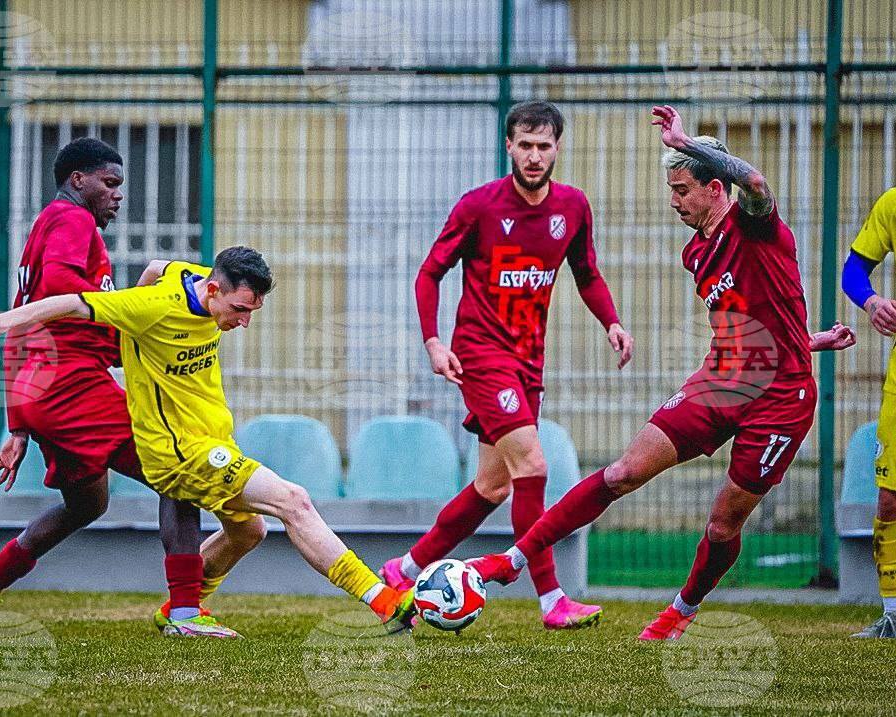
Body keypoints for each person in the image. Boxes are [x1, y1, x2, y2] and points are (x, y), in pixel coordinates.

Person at [466, 105, 856, 640]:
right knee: (623, 472)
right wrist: (808, 340)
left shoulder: (754, 225)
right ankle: (512, 562)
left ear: (715, 189)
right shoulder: (696, 252)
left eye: (682, 190)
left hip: (782, 401)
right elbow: (750, 326)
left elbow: (756, 183)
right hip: (721, 381)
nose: (673, 201)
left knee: (723, 522)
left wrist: (685, 142)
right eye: (671, 189)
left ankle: (682, 609)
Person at [0, 247, 418, 634]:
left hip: (212, 440)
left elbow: (157, 266)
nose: (243, 322)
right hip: (177, 452)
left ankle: (182, 610)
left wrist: (143, 320)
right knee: (293, 501)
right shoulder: (152, 307)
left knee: (249, 532)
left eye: (252, 312)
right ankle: (385, 602)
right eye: (239, 310)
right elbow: (70, 302)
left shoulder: (193, 277)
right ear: (214, 291)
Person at [0, 138, 231, 638]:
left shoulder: (45, 225)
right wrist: (130, 318)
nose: (118, 195)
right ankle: (186, 613)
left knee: (88, 505)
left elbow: (25, 321)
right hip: (73, 386)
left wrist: (19, 424)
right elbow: (63, 293)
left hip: (45, 392)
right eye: (110, 183)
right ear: (78, 180)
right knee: (178, 474)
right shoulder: (72, 220)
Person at [379, 100, 632, 629]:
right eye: (525, 145)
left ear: (557, 148)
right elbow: (430, 273)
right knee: (533, 466)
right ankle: (551, 599)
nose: (535, 156)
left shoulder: (573, 207)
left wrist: (611, 321)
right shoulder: (479, 206)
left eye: (544, 146)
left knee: (492, 487)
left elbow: (586, 273)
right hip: (480, 354)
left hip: (528, 362)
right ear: (509, 147)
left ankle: (404, 570)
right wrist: (433, 342)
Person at [841, 186, 896, 638]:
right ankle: (893, 614)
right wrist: (874, 302)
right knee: (890, 496)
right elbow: (854, 271)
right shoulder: (893, 204)